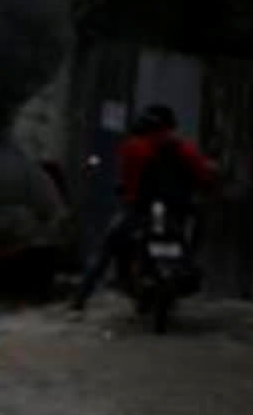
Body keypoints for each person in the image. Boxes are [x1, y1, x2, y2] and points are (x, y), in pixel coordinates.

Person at [68, 104, 217, 315]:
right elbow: (205, 176)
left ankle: (80, 299)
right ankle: (188, 262)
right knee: (197, 230)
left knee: (106, 249)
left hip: (140, 212)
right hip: (174, 214)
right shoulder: (184, 149)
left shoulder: (134, 148)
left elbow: (128, 183)